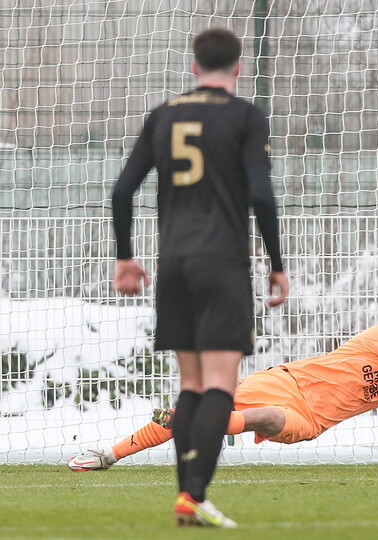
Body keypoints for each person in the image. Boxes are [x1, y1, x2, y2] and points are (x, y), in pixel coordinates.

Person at [110, 28, 291, 528]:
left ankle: (186, 496)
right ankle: (194, 493)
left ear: (194, 67)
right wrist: (277, 263)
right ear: (237, 67)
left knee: (190, 385)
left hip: (173, 266)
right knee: (219, 386)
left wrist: (126, 257)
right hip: (223, 265)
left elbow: (123, 191)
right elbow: (260, 196)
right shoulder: (246, 116)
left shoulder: (163, 115)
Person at [68, 299, 378, 468]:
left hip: (306, 419)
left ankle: (194, 422)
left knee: (256, 418)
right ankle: (110, 454)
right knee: (210, 407)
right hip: (282, 381)